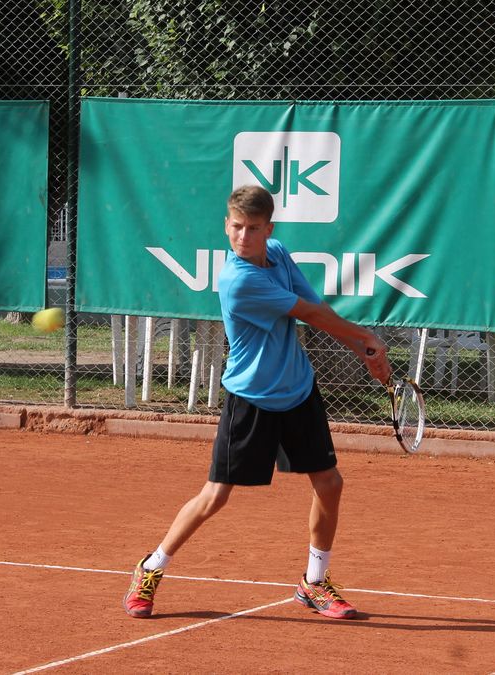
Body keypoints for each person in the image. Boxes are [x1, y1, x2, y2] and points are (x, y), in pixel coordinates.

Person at [123, 185, 392, 620]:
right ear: (226, 225)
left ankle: (314, 583)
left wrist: (365, 352)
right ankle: (150, 568)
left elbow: (317, 304)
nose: (243, 237)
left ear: (269, 229)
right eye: (235, 227)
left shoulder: (279, 254)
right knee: (215, 496)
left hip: (298, 391)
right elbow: (310, 315)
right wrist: (365, 340)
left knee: (330, 483)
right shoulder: (239, 280)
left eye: (252, 228)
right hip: (252, 399)